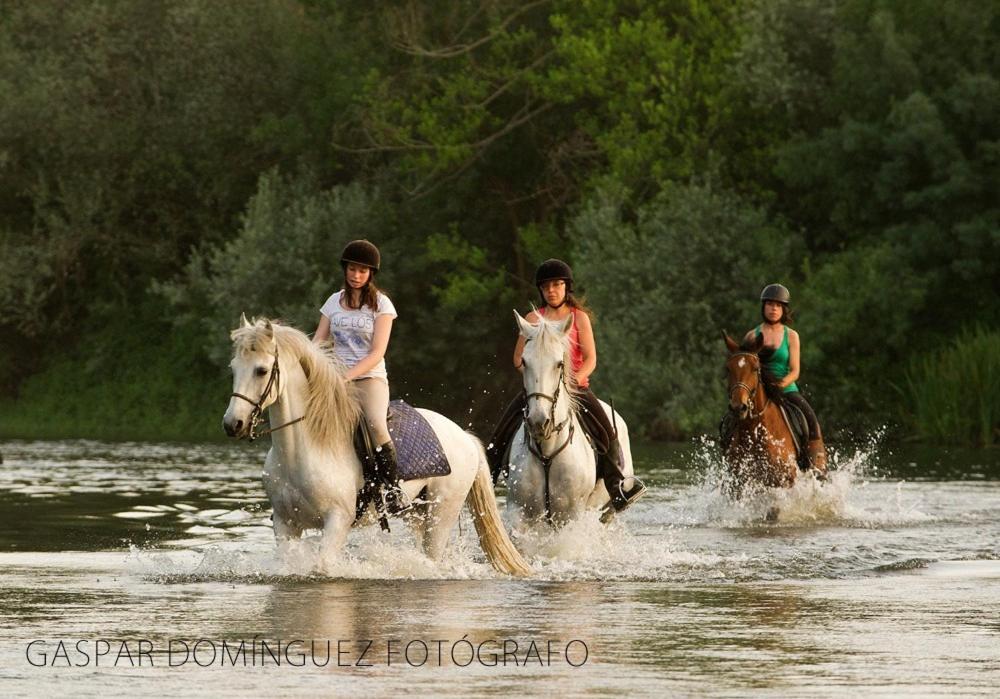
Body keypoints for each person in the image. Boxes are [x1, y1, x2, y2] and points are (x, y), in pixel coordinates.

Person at [486, 259, 646, 516]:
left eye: (557, 285)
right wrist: (534, 376)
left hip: (575, 387)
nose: (552, 290)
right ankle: (487, 479)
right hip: (539, 388)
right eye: (547, 286)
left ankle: (617, 487)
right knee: (500, 433)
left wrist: (575, 378)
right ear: (541, 290)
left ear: (566, 287)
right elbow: (518, 359)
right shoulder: (531, 319)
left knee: (607, 430)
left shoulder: (578, 318)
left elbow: (591, 358)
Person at [313, 239, 411, 514]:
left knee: (376, 424)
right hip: (334, 380)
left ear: (370, 275)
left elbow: (377, 352)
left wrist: (347, 377)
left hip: (370, 379)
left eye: (362, 271)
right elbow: (319, 341)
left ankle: (393, 489)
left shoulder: (382, 304)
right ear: (345, 270)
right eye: (352, 269)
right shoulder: (333, 301)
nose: (356, 276)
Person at [743, 283, 828, 472]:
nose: (774, 309)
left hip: (786, 389)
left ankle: (817, 464)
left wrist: (779, 385)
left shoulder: (791, 336)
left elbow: (795, 371)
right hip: (758, 390)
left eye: (778, 305)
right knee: (732, 418)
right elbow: (746, 368)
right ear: (763, 307)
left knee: (811, 420)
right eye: (770, 304)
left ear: (783, 309)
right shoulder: (751, 336)